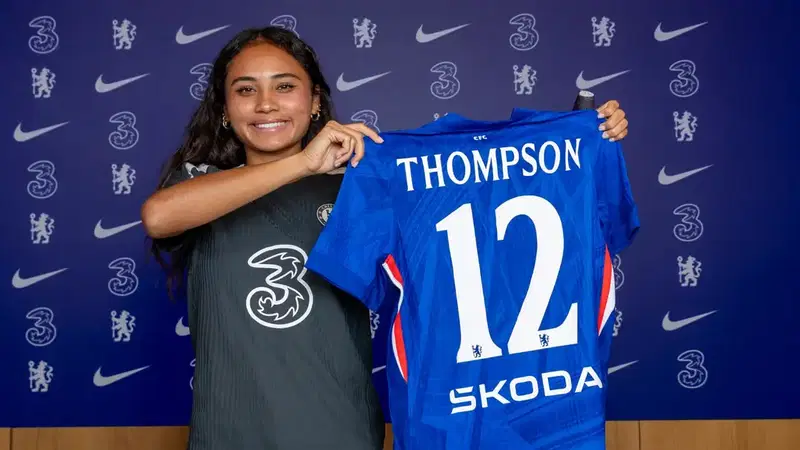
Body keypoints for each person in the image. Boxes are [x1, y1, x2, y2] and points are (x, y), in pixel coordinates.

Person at [141, 26, 631, 450]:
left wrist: (578, 140)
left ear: (315, 101)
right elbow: (159, 217)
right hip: (228, 435)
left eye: (284, 86)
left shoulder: (362, 185)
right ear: (224, 109)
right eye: (245, 90)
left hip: (342, 431)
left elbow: (487, 222)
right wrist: (303, 163)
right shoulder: (201, 182)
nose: (266, 103)